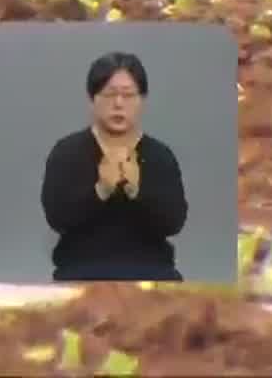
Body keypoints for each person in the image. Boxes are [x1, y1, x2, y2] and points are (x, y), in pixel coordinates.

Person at [39, 51, 188, 282]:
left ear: (142, 100)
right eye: (109, 94)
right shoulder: (67, 152)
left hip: (152, 273)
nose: (118, 104)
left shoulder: (160, 155)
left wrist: (137, 191)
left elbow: (174, 222)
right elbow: (57, 219)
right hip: (81, 272)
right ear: (92, 99)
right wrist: (101, 191)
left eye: (128, 95)